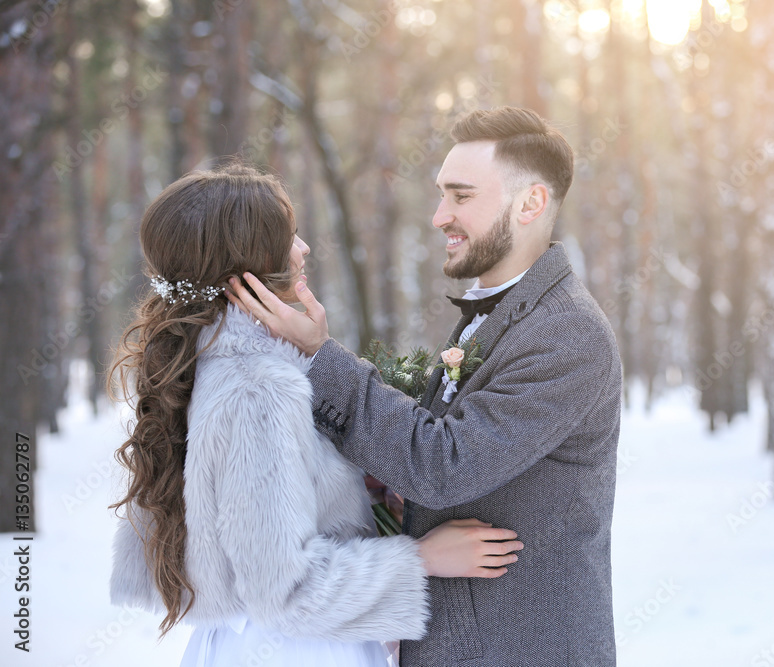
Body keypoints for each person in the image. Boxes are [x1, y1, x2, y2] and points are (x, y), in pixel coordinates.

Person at [227, 107, 623, 666]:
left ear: (530, 203)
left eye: (461, 196)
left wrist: (320, 355)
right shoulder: (500, 314)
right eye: (441, 195)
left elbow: (444, 465)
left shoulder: (565, 334)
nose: (440, 216)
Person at [107, 163, 523, 667]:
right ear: (248, 261)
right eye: (289, 237)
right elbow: (284, 590)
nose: (304, 249)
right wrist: (424, 558)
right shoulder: (257, 385)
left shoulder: (208, 359)